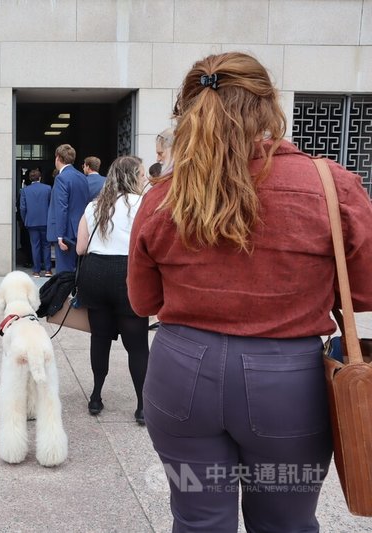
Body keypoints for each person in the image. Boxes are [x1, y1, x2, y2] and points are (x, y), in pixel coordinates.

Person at [128, 52, 372, 532]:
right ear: (268, 107)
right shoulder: (331, 186)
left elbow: (144, 302)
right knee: (285, 522)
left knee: (198, 519)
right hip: (288, 384)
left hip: (181, 375)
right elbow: (362, 292)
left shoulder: (164, 195)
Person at [75, 156, 148, 424]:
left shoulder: (94, 206)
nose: (144, 179)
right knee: (137, 345)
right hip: (128, 276)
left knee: (100, 338)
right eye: (141, 174)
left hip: (94, 275)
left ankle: (96, 396)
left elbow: (81, 248)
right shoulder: (142, 204)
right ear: (132, 177)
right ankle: (142, 406)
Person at [46, 144, 89, 273]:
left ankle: (66, 294)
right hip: (81, 229)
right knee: (77, 270)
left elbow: (61, 207)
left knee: (64, 272)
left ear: (58, 158)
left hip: (66, 233)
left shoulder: (61, 178)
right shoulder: (82, 177)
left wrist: (60, 235)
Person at [19, 169, 53, 277]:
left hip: (32, 222)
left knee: (35, 246)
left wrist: (25, 220)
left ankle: (36, 271)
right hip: (45, 221)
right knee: (46, 246)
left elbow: (22, 208)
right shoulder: (48, 188)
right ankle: (48, 270)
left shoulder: (25, 190)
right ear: (40, 178)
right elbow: (51, 205)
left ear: (30, 179)